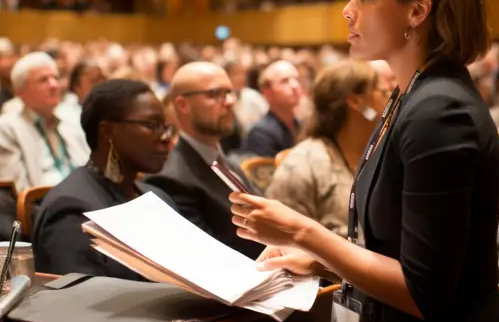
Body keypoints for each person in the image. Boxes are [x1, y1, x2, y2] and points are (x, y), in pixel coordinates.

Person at [229, 0, 499, 322]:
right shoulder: (408, 94)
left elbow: (424, 291)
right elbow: (396, 248)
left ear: (418, 10)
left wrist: (307, 234)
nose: (348, 10)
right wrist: (322, 262)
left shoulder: (439, 110)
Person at [33, 79, 175, 278]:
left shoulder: (159, 198)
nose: (165, 137)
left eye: (165, 126)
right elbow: (79, 300)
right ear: (108, 130)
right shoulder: (71, 209)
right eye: (152, 125)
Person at [145, 62, 263, 259]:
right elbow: (208, 261)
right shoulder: (169, 179)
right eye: (216, 94)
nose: (229, 101)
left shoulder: (227, 163)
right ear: (183, 105)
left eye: (230, 92)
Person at [267, 59, 389, 236]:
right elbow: (283, 244)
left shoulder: (381, 153)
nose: (393, 101)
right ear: (356, 102)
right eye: (385, 93)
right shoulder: (302, 165)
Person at [0, 52, 89, 193]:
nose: (54, 84)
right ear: (21, 91)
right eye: (43, 80)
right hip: (46, 208)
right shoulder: (7, 128)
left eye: (55, 77)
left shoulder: (72, 120)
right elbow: (17, 193)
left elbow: (91, 171)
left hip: (86, 200)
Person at [240, 60, 302, 158]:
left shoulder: (301, 126)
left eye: (297, 79)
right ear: (267, 91)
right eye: (285, 81)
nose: (295, 85)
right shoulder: (260, 134)